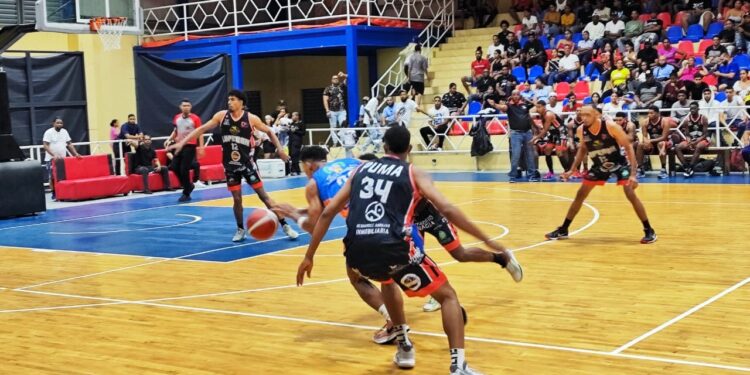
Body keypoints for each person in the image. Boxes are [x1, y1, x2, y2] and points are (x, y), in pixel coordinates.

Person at [297, 126, 522, 374]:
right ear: (410, 149)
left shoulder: (359, 170)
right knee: (447, 296)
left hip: (357, 249)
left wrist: (309, 256)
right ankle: (458, 365)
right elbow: (447, 207)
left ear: (384, 147)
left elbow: (328, 213)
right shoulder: (413, 172)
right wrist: (487, 238)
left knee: (381, 278)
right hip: (395, 247)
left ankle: (404, 347)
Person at [170, 90, 299, 241]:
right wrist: (182, 142)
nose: (229, 102)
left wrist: (281, 150)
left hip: (247, 164)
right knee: (237, 199)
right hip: (230, 166)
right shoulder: (221, 116)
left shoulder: (251, 119)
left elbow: (270, 131)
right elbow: (201, 129)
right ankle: (240, 229)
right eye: (228, 99)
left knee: (264, 196)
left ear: (241, 102)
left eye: (232, 99)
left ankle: (285, 225)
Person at [545, 105, 657, 244]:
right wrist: (572, 169)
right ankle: (563, 229)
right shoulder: (581, 130)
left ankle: (649, 230)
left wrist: (633, 173)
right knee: (580, 194)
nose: (583, 118)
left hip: (619, 163)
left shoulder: (610, 126)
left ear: (596, 115)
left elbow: (628, 147)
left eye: (587, 115)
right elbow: (583, 149)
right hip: (599, 165)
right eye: (582, 115)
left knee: (630, 193)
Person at [489, 91, 539, 182]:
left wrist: (535, 127)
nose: (516, 96)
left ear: (520, 96)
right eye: (514, 94)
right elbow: (502, 107)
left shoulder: (525, 105)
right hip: (516, 134)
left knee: (530, 154)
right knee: (516, 154)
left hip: (528, 132)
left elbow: (532, 113)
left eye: (517, 94)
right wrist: (494, 104)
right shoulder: (509, 106)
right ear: (511, 96)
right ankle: (513, 176)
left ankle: (532, 175)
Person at [166, 99, 204, 202]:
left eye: (188, 105)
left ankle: (186, 193)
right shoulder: (177, 118)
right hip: (179, 145)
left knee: (184, 169)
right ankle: (188, 185)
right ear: (180, 107)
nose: (186, 107)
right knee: (173, 167)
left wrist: (201, 147)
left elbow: (200, 132)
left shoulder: (195, 119)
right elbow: (176, 131)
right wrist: (169, 139)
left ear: (190, 107)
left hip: (190, 146)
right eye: (184, 105)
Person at [42, 117, 82, 200]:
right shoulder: (48, 132)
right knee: (52, 176)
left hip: (63, 159)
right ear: (53, 123)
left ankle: (63, 192)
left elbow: (69, 144)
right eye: (58, 123)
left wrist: (76, 154)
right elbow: (45, 145)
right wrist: (53, 155)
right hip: (51, 159)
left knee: (63, 176)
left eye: (61, 123)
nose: (60, 124)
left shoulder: (65, 132)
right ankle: (54, 193)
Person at [531, 100, 571, 181]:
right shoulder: (541, 114)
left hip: (561, 133)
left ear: (544, 107)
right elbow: (545, 130)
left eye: (539, 107)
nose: (537, 109)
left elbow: (545, 130)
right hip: (552, 134)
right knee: (547, 150)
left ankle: (567, 172)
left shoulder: (548, 114)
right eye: (537, 107)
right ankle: (551, 172)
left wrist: (534, 138)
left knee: (559, 152)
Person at [637, 106, 674, 179]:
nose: (649, 115)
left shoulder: (665, 121)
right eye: (648, 113)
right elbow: (644, 136)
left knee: (661, 143)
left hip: (665, 142)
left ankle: (663, 170)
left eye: (651, 113)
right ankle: (640, 169)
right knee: (640, 144)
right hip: (653, 142)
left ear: (658, 113)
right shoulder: (645, 122)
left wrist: (650, 141)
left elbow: (664, 137)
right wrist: (646, 142)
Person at [675, 101, 710, 177]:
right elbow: (687, 135)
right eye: (691, 108)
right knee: (677, 147)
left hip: (702, 139)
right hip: (692, 140)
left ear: (698, 109)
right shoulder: (686, 120)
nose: (692, 110)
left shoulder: (703, 118)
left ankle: (691, 167)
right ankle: (685, 167)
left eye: (694, 108)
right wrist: (689, 141)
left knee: (698, 146)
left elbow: (705, 134)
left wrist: (697, 141)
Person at [323, 72, 348, 146]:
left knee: (343, 125)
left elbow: (349, 78)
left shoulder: (342, 85)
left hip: (342, 110)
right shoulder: (328, 88)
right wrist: (327, 110)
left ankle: (343, 142)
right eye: (334, 78)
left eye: (337, 78)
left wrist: (344, 75)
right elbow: (325, 100)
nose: (336, 79)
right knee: (333, 127)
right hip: (332, 111)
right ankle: (335, 142)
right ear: (331, 80)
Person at [288, 112, 306, 176]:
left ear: (297, 116)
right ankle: (294, 170)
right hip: (291, 141)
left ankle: (296, 170)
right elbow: (289, 132)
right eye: (292, 115)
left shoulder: (301, 124)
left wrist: (295, 131)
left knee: (294, 154)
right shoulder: (292, 124)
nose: (292, 117)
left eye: (293, 116)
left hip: (297, 141)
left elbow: (303, 133)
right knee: (291, 155)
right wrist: (289, 129)